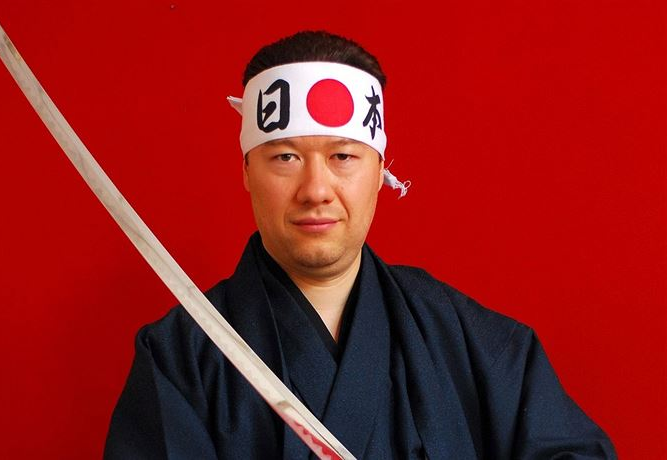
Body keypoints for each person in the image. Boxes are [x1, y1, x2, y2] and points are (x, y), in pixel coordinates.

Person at [104, 31, 616, 459]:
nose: (316, 190)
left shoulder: (471, 342)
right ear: (246, 170)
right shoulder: (180, 359)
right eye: (284, 157)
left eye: (343, 157)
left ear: (380, 171)